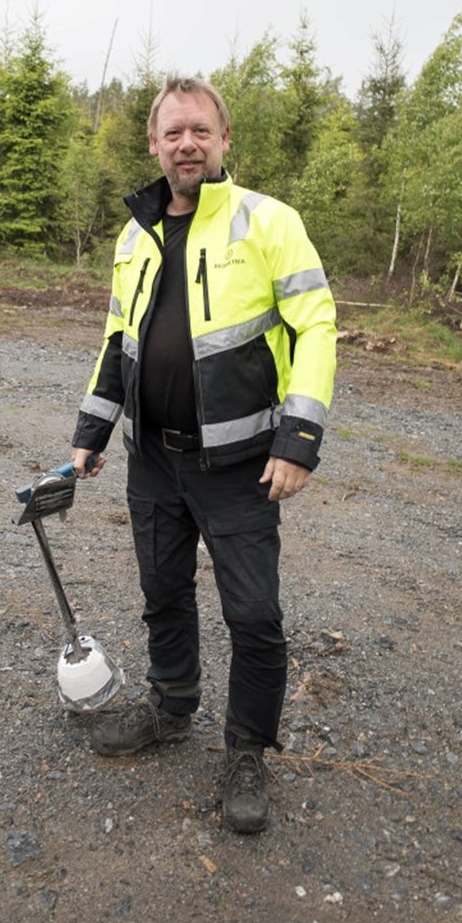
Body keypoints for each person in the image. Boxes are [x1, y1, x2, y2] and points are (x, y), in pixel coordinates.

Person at [71, 75, 337, 833]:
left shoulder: (268, 221)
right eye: (172, 133)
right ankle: (170, 706)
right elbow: (117, 342)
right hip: (151, 458)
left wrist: (300, 439)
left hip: (243, 464)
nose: (186, 144)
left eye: (200, 131)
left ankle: (247, 749)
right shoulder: (136, 234)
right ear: (154, 145)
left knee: (253, 616)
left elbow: (317, 327)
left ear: (223, 142)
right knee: (162, 593)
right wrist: (91, 433)